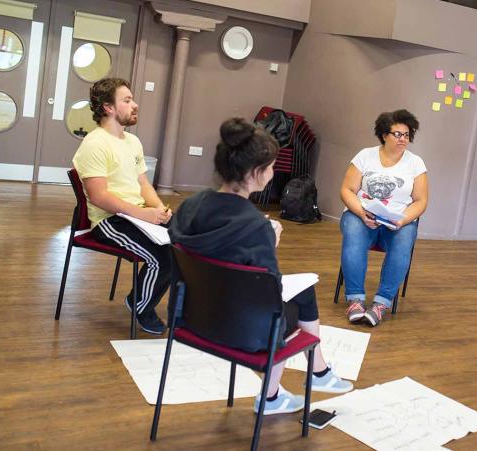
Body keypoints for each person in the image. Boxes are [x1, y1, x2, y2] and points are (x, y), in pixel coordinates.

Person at [168, 117, 353, 416]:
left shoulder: (191, 205)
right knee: (298, 298)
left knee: (302, 292)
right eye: (270, 167)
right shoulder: (256, 227)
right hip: (244, 332)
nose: (272, 172)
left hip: (191, 316)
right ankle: (277, 394)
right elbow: (270, 290)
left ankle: (313, 375)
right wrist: (270, 240)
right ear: (255, 173)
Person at [72, 77, 172, 335]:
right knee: (162, 258)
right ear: (109, 108)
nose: (135, 104)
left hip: (136, 215)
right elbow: (98, 197)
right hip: (109, 221)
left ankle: (180, 310)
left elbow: (144, 185)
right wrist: (143, 214)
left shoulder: (133, 142)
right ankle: (141, 305)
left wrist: (159, 210)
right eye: (127, 100)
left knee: (185, 243)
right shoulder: (94, 143)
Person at [339, 109, 428, 326]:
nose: (403, 139)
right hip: (362, 215)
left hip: (397, 221)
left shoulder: (415, 163)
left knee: (405, 239)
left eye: (407, 134)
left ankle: (381, 303)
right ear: (384, 135)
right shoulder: (365, 156)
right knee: (353, 231)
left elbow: (421, 201)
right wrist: (361, 212)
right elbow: (347, 190)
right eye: (398, 134)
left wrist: (403, 220)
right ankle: (355, 300)